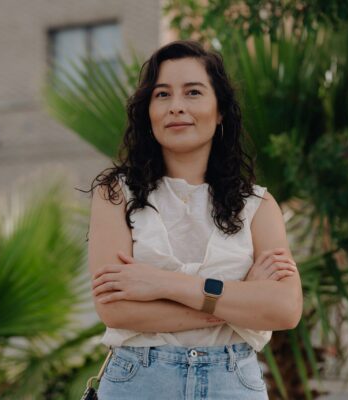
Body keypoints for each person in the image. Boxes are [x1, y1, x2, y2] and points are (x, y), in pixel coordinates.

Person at [87, 40, 303, 399]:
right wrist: (237, 304)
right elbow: (115, 308)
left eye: (193, 92)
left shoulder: (258, 206)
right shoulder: (115, 194)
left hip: (233, 383)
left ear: (219, 111)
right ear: (148, 111)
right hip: (139, 383)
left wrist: (162, 284)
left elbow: (284, 309)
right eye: (162, 95)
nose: (176, 107)